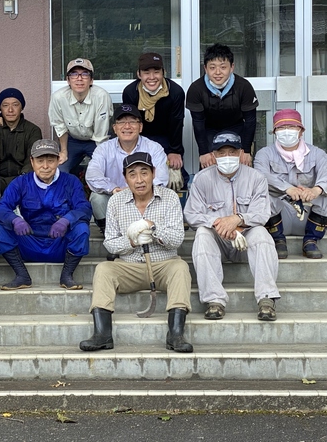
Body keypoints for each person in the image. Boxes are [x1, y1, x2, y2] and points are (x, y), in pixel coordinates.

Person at [79, 152, 193, 353]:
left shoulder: (170, 197)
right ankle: (102, 334)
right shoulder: (116, 201)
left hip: (163, 265)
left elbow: (177, 239)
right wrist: (131, 241)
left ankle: (175, 334)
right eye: (132, 174)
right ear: (125, 178)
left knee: (181, 268)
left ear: (153, 173)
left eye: (144, 173)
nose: (139, 180)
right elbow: (110, 243)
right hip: (129, 267)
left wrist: (153, 229)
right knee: (104, 269)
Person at [184, 131, 280, 321]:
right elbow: (191, 214)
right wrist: (219, 223)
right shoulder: (202, 179)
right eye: (221, 153)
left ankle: (266, 299)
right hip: (218, 241)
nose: (227, 157)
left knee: (261, 234)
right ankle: (214, 301)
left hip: (246, 240)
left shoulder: (256, 178)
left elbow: (262, 214)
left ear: (241, 153)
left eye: (232, 152)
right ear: (213, 156)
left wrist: (237, 219)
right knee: (202, 234)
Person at [0, 139, 92, 290]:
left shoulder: (71, 181)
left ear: (58, 160)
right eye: (40, 161)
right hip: (28, 242)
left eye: (50, 161)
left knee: (82, 229)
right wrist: (14, 220)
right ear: (32, 162)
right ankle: (22, 275)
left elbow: (84, 208)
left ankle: (67, 275)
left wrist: (66, 220)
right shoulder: (21, 182)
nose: (45, 166)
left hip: (60, 245)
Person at [255, 109, 327, 259]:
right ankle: (278, 240)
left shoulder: (317, 153)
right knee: (261, 194)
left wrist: (315, 190)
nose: (286, 131)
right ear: (274, 132)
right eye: (281, 127)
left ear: (301, 131)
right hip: (280, 216)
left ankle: (311, 240)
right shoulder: (264, 154)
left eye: (291, 127)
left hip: (308, 215)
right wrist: (287, 188)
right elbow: (260, 176)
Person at [85, 104, 169, 234]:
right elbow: (92, 175)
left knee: (162, 195)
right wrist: (113, 189)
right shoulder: (103, 149)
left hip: (144, 199)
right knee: (97, 198)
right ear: (114, 128)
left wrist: (135, 190)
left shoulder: (154, 148)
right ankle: (110, 232)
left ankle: (148, 229)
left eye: (132, 122)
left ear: (140, 127)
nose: (127, 126)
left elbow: (161, 180)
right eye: (122, 122)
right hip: (115, 198)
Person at [186, 43, 258, 168]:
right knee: (208, 165)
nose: (218, 72)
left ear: (232, 67)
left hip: (237, 127)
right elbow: (198, 123)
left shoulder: (244, 87)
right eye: (212, 67)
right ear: (205, 68)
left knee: (242, 164)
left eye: (223, 67)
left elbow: (250, 120)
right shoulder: (196, 89)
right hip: (209, 129)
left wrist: (246, 150)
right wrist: (203, 152)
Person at [122, 52, 188, 188]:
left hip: (167, 138)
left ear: (164, 73)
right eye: (146, 73)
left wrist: (175, 151)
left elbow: (177, 123)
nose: (152, 77)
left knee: (177, 175)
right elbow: (130, 123)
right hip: (140, 138)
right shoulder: (130, 92)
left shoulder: (175, 92)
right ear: (139, 74)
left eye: (156, 72)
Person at [48, 58, 113, 173]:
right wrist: (63, 151)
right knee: (59, 170)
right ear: (68, 80)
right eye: (74, 74)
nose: (79, 78)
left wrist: (101, 159)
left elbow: (101, 133)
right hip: (72, 141)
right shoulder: (58, 97)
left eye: (85, 74)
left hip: (95, 141)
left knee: (106, 169)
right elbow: (59, 126)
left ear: (91, 80)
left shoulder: (101, 96)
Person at [0, 88, 42, 199]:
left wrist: (22, 178)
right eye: (5, 105)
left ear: (22, 107)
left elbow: (32, 158)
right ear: (0, 108)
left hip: (21, 176)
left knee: (31, 185)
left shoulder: (32, 130)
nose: (10, 110)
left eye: (15, 105)